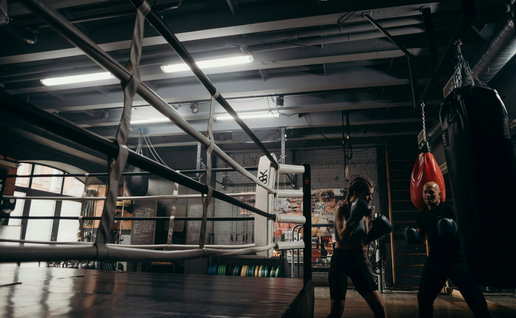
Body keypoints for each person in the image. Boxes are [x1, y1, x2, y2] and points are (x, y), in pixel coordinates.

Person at [408, 181, 491, 318]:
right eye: (425, 192)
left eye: (431, 192)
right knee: (424, 297)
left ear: (439, 194)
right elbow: (422, 238)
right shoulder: (422, 216)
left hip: (456, 260)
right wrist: (414, 237)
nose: (428, 195)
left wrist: (454, 230)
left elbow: (465, 230)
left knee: (474, 297)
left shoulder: (449, 210)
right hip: (435, 261)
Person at [328, 177, 388, 318]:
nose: (370, 198)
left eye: (371, 194)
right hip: (340, 260)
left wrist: (375, 233)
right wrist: (354, 217)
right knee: (336, 312)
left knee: (380, 309)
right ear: (356, 192)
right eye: (367, 194)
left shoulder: (366, 212)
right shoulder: (341, 208)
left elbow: (363, 240)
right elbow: (342, 236)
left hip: (357, 260)